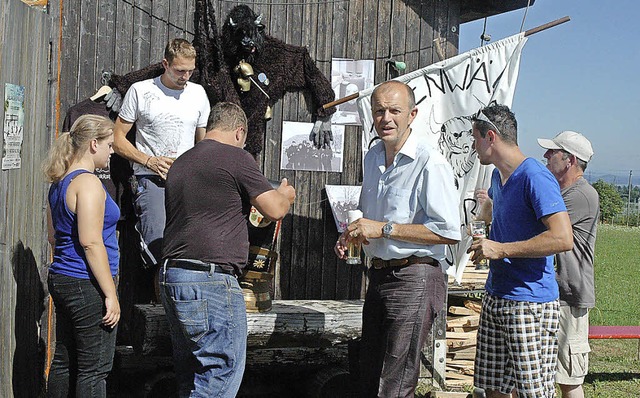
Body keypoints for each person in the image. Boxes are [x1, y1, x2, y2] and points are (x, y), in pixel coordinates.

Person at [334, 81, 461, 397]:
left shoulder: (429, 160)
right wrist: (351, 232)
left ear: (412, 115)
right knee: (369, 373)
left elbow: (448, 231)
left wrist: (384, 229)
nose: (386, 118)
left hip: (416, 275)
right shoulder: (373, 155)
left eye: (394, 111)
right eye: (379, 111)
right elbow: (369, 216)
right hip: (378, 274)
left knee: (395, 381)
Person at [159, 102, 295, 397]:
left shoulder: (181, 162)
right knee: (218, 377)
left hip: (173, 276)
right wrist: (285, 194)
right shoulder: (236, 157)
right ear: (239, 132)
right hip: (210, 280)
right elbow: (274, 210)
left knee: (191, 376)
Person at [468, 104, 573, 398]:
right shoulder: (496, 178)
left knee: (533, 393)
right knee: (492, 389)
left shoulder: (535, 176)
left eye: (475, 138)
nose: (473, 147)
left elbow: (563, 238)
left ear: (491, 137)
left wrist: (500, 249)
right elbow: (511, 218)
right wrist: (484, 215)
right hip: (496, 295)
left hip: (529, 303)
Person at [113, 38, 210, 268]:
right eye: (180, 70)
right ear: (165, 64)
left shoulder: (198, 93)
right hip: (150, 179)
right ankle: (158, 301)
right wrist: (149, 161)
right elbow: (117, 139)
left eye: (190, 71)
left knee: (187, 250)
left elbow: (204, 144)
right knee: (158, 248)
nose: (185, 76)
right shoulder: (141, 90)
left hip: (187, 183)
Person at [43, 115, 121, 397]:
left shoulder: (59, 181)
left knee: (64, 361)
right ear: (93, 144)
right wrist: (109, 294)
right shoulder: (88, 184)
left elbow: (53, 237)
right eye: (109, 145)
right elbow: (90, 242)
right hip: (86, 282)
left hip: (63, 277)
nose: (112, 151)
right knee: (94, 369)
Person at [538, 131, 599, 398]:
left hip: (569, 297)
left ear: (570, 160)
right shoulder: (564, 192)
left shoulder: (581, 195)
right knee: (548, 373)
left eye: (553, 152)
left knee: (568, 378)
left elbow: (538, 224)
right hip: (556, 294)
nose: (546, 156)